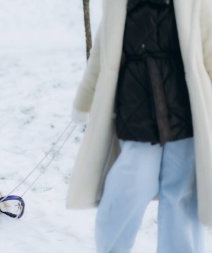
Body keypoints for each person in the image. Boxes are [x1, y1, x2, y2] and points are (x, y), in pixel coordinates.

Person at [66, 0, 212, 252]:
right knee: (131, 184)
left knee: (180, 194)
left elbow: (209, 49)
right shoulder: (118, 4)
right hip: (136, 108)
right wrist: (84, 100)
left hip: (184, 110)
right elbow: (101, 55)